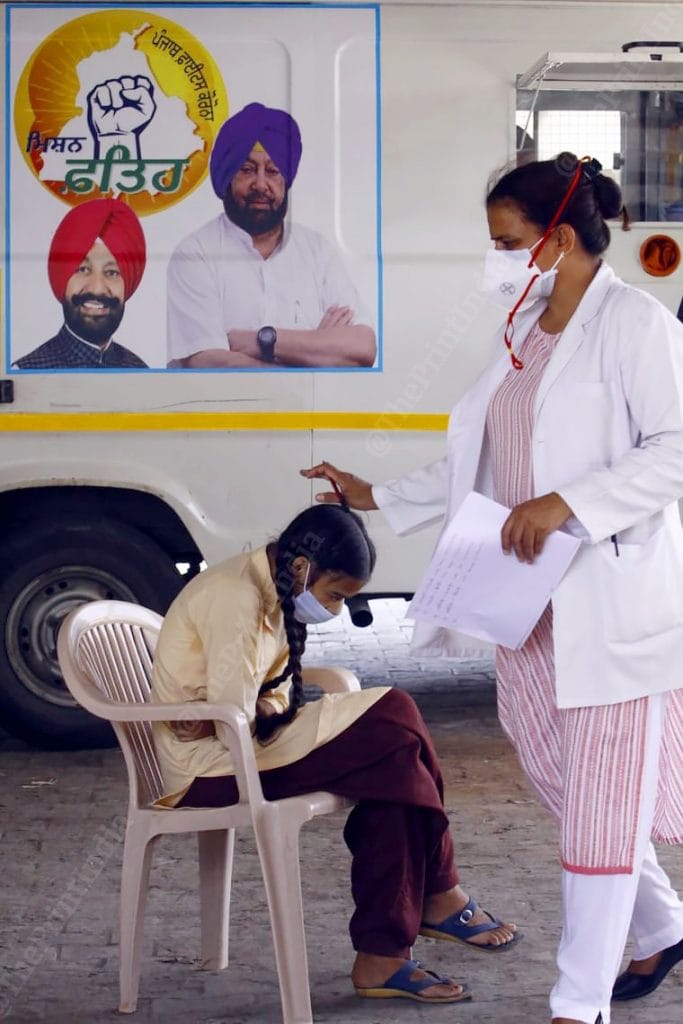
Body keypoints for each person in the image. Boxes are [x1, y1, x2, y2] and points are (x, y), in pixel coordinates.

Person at [302, 153, 683, 1024]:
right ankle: (663, 922)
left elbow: (671, 449)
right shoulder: (526, 325)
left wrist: (567, 504)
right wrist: (376, 493)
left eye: (507, 241)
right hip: (525, 602)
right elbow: (484, 455)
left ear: (557, 234)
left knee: (599, 807)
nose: (499, 257)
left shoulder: (634, 325)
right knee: (557, 776)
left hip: (611, 601)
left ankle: (577, 1002)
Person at [151, 503, 518, 1006]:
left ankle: (385, 955)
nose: (338, 609)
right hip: (211, 767)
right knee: (395, 715)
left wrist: (264, 702)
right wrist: (253, 704)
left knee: (396, 768)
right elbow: (229, 716)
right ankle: (433, 898)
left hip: (246, 742)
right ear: (302, 568)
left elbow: (269, 694)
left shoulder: (270, 586)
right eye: (337, 595)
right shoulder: (235, 598)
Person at [166, 102, 376, 369]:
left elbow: (362, 347)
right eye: (247, 169)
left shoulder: (317, 252)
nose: (261, 184)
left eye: (273, 171)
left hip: (310, 412)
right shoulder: (196, 253)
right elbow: (208, 363)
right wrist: (314, 351)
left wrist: (261, 342)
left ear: (286, 180)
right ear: (227, 175)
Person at [14, 198, 148, 369]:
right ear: (61, 278)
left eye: (112, 272)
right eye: (83, 269)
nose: (97, 288)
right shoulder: (27, 371)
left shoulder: (139, 369)